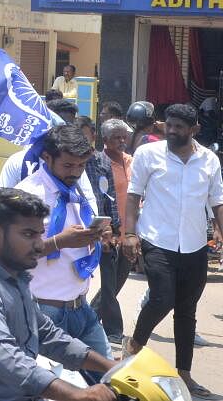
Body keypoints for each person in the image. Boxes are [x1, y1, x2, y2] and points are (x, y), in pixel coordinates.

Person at [0, 188, 117, 401]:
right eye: (28, 234)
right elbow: (8, 359)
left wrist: (113, 366)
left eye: (40, 234)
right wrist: (76, 394)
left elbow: (47, 335)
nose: (39, 244)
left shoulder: (15, 277)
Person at [122, 102, 223, 397]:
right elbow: (132, 196)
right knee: (162, 297)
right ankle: (133, 347)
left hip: (194, 244)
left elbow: (217, 201)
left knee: (187, 311)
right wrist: (129, 233)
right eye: (170, 125)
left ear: (195, 130)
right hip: (157, 239)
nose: (173, 131)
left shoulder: (209, 160)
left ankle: (185, 375)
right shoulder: (147, 154)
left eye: (180, 127)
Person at [14, 126, 112, 359]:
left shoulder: (77, 189)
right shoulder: (27, 195)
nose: (76, 172)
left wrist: (97, 236)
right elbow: (12, 255)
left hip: (81, 308)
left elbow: (78, 238)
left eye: (81, 165)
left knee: (111, 379)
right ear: (47, 158)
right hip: (44, 312)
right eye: (68, 165)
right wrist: (59, 242)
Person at [92, 118, 133, 343]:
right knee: (109, 283)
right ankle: (113, 330)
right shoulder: (99, 163)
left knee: (119, 280)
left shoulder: (131, 161)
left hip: (131, 232)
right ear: (105, 140)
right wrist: (109, 230)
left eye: (123, 136)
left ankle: (89, 316)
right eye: (116, 137)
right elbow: (101, 200)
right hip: (110, 232)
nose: (121, 141)